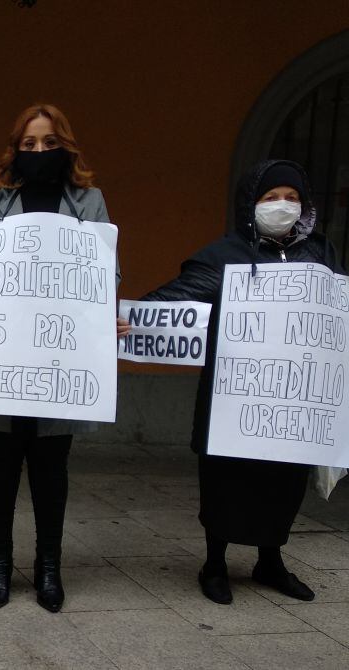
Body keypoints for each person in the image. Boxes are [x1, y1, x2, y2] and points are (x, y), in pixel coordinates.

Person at [0, 103, 127, 613]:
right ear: (15, 149)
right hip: (1, 358)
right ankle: (0, 564)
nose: (39, 152)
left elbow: (106, 274)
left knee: (52, 470)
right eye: (29, 144)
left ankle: (50, 567)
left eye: (49, 143)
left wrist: (97, 312)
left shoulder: (89, 201)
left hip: (59, 364)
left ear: (65, 146)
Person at [143, 160, 328, 605]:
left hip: (290, 402)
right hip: (233, 398)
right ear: (250, 203)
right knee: (226, 482)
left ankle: (271, 561)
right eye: (270, 197)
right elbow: (177, 299)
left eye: (291, 197)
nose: (282, 206)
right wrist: (135, 319)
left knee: (283, 484)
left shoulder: (320, 254)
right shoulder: (224, 255)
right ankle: (215, 564)